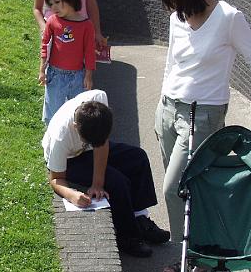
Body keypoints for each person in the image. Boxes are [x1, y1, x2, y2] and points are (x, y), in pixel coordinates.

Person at [150, 0, 251, 272]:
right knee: (184, 191)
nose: (171, 6)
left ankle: (192, 259)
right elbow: (171, 62)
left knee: (176, 187)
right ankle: (194, 254)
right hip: (168, 110)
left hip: (202, 116)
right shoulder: (178, 16)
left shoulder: (229, 18)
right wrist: (161, 101)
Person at [43, 89, 171, 257]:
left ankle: (140, 218)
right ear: (76, 127)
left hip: (92, 145)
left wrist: (97, 183)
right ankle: (128, 237)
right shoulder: (61, 137)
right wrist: (72, 195)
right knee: (117, 182)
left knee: (137, 157)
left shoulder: (98, 98)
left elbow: (101, 145)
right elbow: (56, 179)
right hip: (71, 159)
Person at [39, 0, 96, 124]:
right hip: (55, 75)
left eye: (57, 2)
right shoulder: (52, 21)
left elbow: (90, 52)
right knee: (52, 114)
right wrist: (42, 69)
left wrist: (88, 75)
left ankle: (76, 144)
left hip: (78, 77)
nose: (54, 7)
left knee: (78, 115)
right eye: (51, 4)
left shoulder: (86, 25)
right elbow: (45, 44)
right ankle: (51, 142)